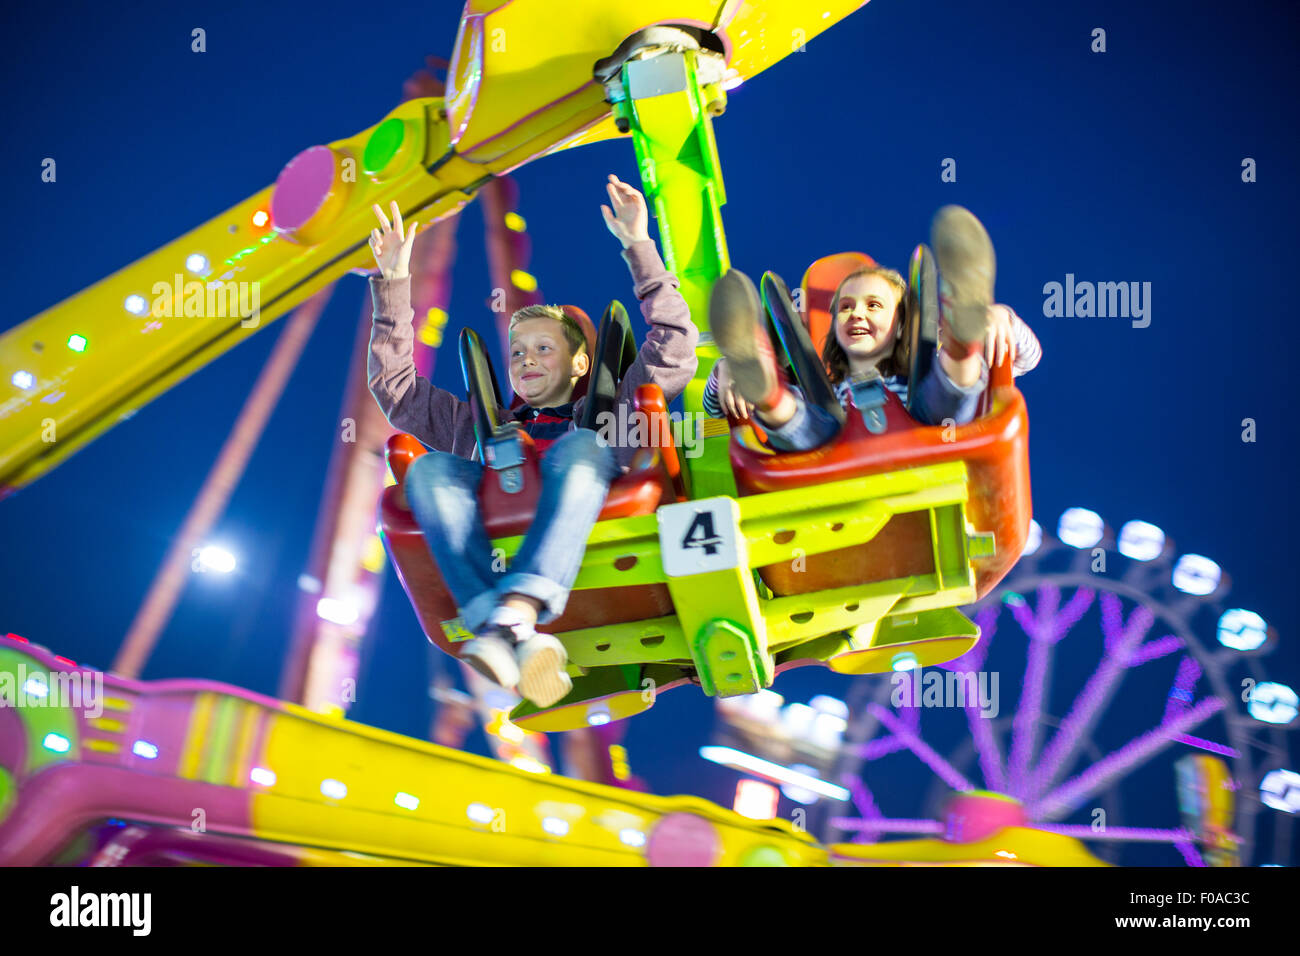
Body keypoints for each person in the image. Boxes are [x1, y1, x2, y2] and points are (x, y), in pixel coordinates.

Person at [366, 176, 698, 708]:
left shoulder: (615, 408)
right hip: (501, 512)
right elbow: (396, 390)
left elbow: (677, 348)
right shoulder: (483, 425)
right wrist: (394, 283)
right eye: (517, 352)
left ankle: (517, 607)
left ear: (580, 363)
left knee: (583, 447)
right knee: (426, 470)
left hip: (607, 510)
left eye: (543, 348)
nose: (525, 360)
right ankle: (500, 627)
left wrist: (639, 247)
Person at [704, 205, 1041, 449]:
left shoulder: (919, 376)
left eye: (874, 306)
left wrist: (1000, 319)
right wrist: (727, 371)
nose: (856, 315)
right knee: (808, 419)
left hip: (925, 437)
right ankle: (768, 392)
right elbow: (713, 407)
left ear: (900, 327)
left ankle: (963, 340)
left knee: (942, 393)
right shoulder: (818, 387)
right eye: (845, 308)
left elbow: (1028, 357)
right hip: (834, 454)